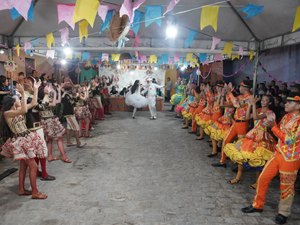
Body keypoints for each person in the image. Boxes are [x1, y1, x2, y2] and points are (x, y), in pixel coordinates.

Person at [241, 91, 300, 225]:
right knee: (263, 178)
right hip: (278, 154)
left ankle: (283, 213)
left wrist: (272, 127)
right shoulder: (286, 117)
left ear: (298, 106)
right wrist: (272, 126)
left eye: (290, 102)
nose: (286, 104)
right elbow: (279, 131)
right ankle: (258, 205)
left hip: (290, 158)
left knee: (286, 187)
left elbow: (290, 140)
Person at [0, 81, 47, 199]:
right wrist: (22, 94)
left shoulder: (17, 108)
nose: (19, 99)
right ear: (12, 102)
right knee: (33, 166)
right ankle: (35, 192)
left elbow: (34, 103)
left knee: (24, 167)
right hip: (20, 141)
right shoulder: (7, 113)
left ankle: (21, 189)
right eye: (16, 99)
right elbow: (24, 110)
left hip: (25, 138)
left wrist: (36, 89)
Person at [224, 95, 276, 185]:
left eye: (266, 100)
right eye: (262, 100)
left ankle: (257, 182)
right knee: (241, 154)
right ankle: (237, 177)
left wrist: (253, 104)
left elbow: (256, 117)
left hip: (262, 136)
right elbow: (247, 117)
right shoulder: (259, 109)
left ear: (270, 103)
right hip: (252, 134)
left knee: (258, 159)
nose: (263, 102)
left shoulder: (270, 112)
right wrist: (250, 105)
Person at [212, 80, 252, 168]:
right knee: (226, 140)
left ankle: (239, 167)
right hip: (236, 123)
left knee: (240, 146)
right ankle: (222, 161)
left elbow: (237, 105)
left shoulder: (249, 98)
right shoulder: (240, 96)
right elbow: (223, 105)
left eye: (241, 87)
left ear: (245, 88)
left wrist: (230, 92)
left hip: (242, 124)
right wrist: (222, 95)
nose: (239, 88)